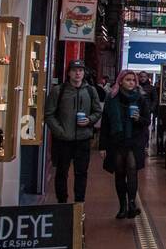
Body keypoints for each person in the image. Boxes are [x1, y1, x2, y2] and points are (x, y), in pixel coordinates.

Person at [45, 61, 104, 206]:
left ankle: (79, 203)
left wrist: (89, 120)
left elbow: (98, 111)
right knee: (61, 172)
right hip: (63, 140)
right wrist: (59, 131)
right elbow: (49, 114)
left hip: (83, 139)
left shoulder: (90, 91)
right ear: (69, 73)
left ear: (84, 73)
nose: (77, 73)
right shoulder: (58, 91)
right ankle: (62, 202)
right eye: (74, 70)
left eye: (80, 70)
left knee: (81, 172)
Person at [100, 69, 153, 219]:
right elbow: (106, 123)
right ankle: (122, 205)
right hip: (116, 140)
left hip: (134, 141)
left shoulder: (140, 98)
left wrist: (138, 119)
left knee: (132, 170)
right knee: (119, 173)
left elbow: (147, 121)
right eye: (128, 80)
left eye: (133, 80)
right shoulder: (112, 98)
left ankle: (131, 203)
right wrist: (102, 146)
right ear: (121, 81)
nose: (131, 83)